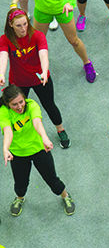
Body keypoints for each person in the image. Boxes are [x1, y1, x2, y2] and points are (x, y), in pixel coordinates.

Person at [10, 0, 97, 82]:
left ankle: (87, 63)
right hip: (42, 10)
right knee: (35, 42)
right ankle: (36, 67)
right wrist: (13, 4)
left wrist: (68, 2)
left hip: (62, 9)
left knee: (73, 40)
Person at [0, 85, 75, 217]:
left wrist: (45, 138)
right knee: (20, 183)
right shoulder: (3, 112)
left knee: (51, 179)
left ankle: (66, 196)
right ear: (7, 104)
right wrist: (5, 148)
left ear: (24, 99)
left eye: (21, 102)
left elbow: (37, 123)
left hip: (39, 149)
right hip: (18, 154)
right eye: (14, 104)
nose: (19, 107)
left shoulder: (32, 105)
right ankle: (19, 199)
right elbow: (8, 131)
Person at [0, 8, 70, 149]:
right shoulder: (5, 39)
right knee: (16, 108)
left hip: (40, 79)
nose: (23, 28)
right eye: (19, 25)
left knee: (49, 105)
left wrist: (44, 71)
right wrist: (1, 73)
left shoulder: (37, 35)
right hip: (18, 83)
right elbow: (3, 56)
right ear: (11, 25)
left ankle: (60, 129)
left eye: (25, 24)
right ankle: (21, 134)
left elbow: (43, 54)